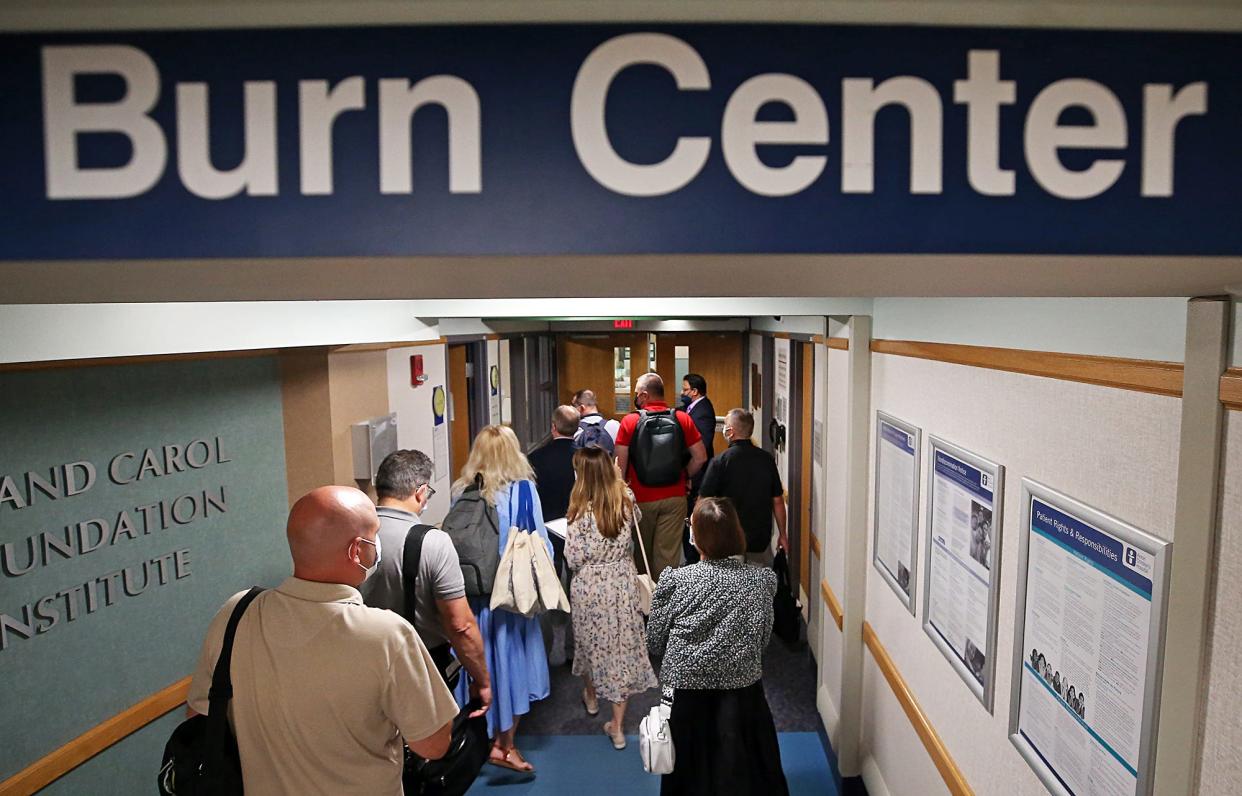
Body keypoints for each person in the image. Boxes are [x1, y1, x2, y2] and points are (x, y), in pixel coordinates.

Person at [187, 486, 459, 795]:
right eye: (375, 534)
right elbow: (433, 744)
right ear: (357, 551)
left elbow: (199, 716)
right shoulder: (387, 635)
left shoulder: (236, 613)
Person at [646, 498, 788, 796]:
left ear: (695, 538)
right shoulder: (761, 581)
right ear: (737, 533)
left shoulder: (676, 580)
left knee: (687, 768)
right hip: (742, 684)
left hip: (685, 687)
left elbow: (655, 642)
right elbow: (762, 640)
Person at [450, 425, 554, 774]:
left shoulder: (461, 491)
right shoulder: (523, 491)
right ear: (513, 453)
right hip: (511, 599)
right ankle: (505, 744)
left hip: (473, 598)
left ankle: (475, 738)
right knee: (512, 663)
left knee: (481, 664)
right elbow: (541, 544)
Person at [359, 449, 491, 718]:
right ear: (420, 492)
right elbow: (460, 625)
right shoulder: (431, 542)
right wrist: (482, 680)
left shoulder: (353, 533)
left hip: (361, 663)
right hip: (420, 665)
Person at [564, 446, 658, 751]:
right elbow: (635, 524)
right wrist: (619, 481)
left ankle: (591, 697)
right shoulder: (626, 500)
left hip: (590, 587)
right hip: (622, 583)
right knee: (622, 649)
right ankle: (617, 727)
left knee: (590, 643)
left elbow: (573, 558)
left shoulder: (578, 510)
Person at [615, 373, 707, 577]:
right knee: (668, 557)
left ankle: (645, 602)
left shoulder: (630, 421)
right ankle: (664, 602)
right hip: (675, 497)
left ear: (645, 395)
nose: (636, 398)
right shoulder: (682, 418)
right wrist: (685, 476)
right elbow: (700, 457)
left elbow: (619, 466)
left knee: (642, 556)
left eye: (638, 394)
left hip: (640, 499)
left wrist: (622, 492)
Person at [698, 409, 788, 565]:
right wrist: (783, 534)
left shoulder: (720, 461)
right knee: (758, 581)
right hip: (759, 537)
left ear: (731, 432)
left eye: (725, 425)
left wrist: (700, 536)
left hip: (727, 537)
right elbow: (778, 501)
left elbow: (703, 501)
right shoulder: (766, 460)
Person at [527, 405, 580, 667]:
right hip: (574, 527)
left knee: (547, 578)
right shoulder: (583, 457)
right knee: (575, 578)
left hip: (545, 527)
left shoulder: (535, 457)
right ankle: (572, 639)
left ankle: (547, 638)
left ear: (553, 427)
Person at [680, 373, 716, 563]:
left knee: (693, 522)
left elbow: (702, 444)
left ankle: (692, 562)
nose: (682, 392)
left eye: (685, 389)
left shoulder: (703, 412)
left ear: (694, 391)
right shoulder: (692, 408)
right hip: (694, 473)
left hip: (698, 475)